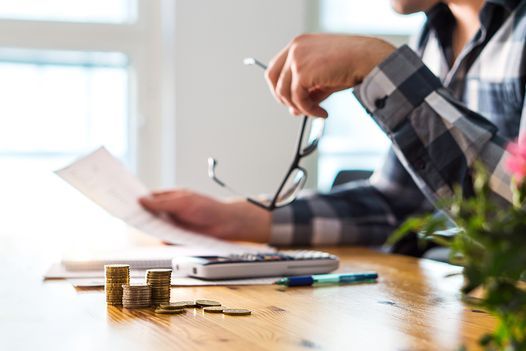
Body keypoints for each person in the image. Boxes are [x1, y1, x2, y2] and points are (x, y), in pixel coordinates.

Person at [140, 0, 524, 251]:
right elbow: (397, 205)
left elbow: (517, 231)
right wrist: (235, 218)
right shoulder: (432, 36)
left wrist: (381, 66)